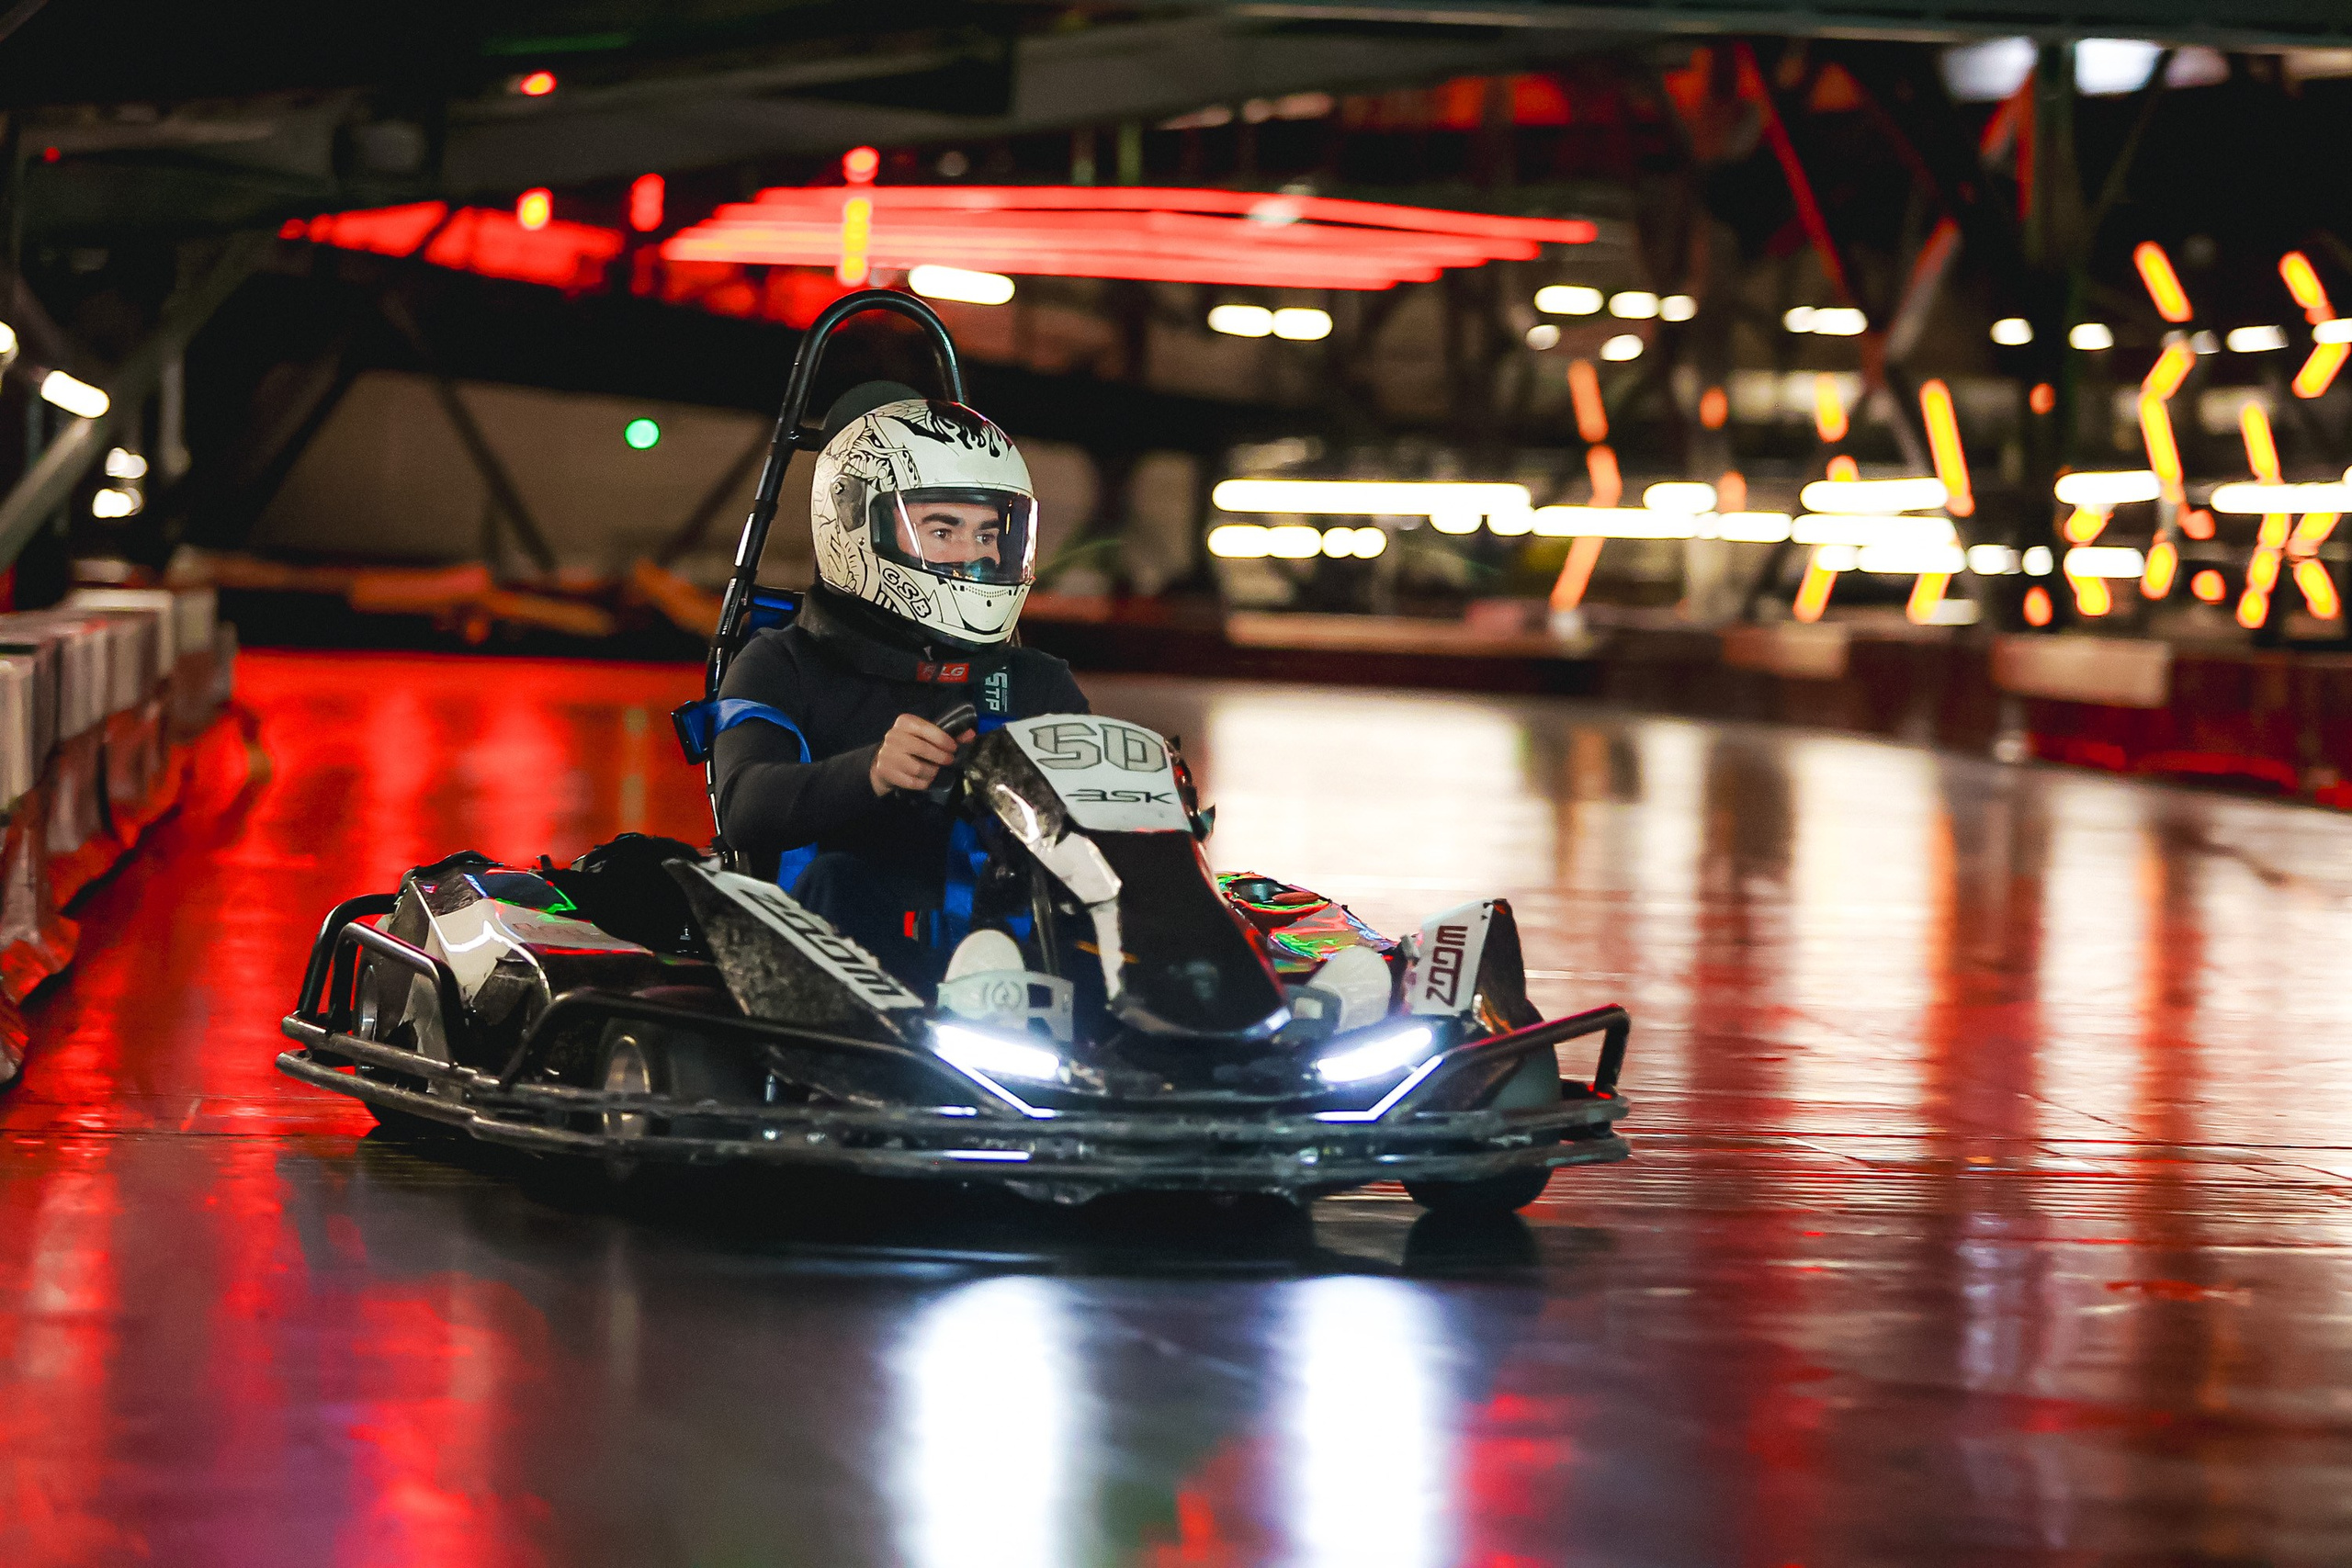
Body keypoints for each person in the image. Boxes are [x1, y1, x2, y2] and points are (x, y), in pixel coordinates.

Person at [711, 381, 1089, 989]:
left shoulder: (1034, 682)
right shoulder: (781, 663)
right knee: (838, 876)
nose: (974, 556)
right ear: (858, 528)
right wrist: (873, 773)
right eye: (943, 532)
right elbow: (744, 807)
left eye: (987, 534)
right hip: (838, 983)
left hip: (1010, 972)